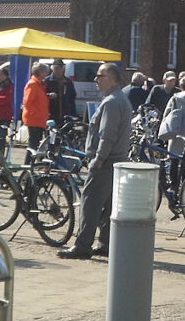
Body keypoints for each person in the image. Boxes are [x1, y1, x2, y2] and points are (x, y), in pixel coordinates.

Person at [58, 63, 132, 260]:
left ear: (111, 79)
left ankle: (83, 245)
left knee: (90, 203)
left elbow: (107, 135)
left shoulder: (111, 102)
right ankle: (106, 243)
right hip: (116, 160)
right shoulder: (120, 98)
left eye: (100, 76)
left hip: (106, 161)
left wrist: (98, 159)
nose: (96, 80)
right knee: (108, 205)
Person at [21, 62, 51, 159]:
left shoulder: (40, 84)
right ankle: (28, 163)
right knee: (33, 144)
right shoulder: (33, 84)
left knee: (36, 144)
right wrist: (37, 114)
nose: (46, 74)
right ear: (40, 72)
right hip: (34, 119)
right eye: (45, 72)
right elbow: (28, 102)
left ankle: (31, 163)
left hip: (39, 119)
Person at [45, 59, 78, 124]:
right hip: (51, 116)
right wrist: (48, 95)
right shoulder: (47, 81)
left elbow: (72, 98)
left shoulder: (68, 81)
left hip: (66, 116)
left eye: (60, 68)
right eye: (56, 68)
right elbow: (41, 95)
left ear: (63, 69)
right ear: (52, 69)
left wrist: (74, 114)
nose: (58, 70)